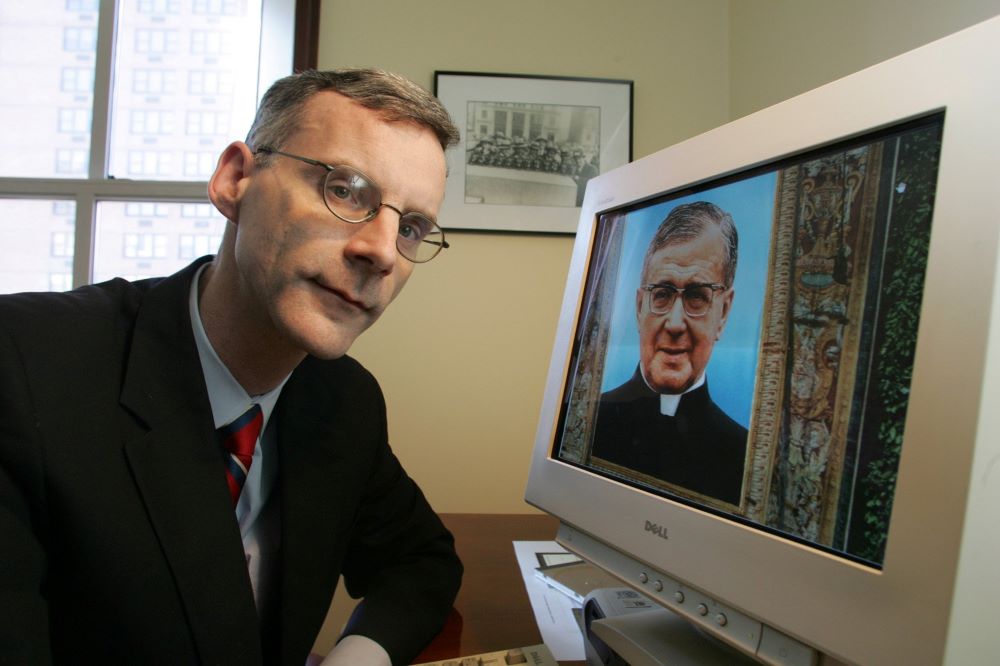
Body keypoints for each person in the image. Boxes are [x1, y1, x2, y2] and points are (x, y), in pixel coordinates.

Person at [0, 69, 463, 665]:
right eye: (346, 189)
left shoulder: (344, 400)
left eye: (412, 227)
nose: (380, 250)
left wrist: (359, 657)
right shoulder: (22, 368)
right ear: (235, 179)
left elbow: (420, 562)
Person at [591, 201, 748, 505]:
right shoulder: (588, 428)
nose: (675, 324)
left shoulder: (746, 455)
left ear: (724, 312)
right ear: (639, 308)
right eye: (661, 294)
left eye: (697, 297)